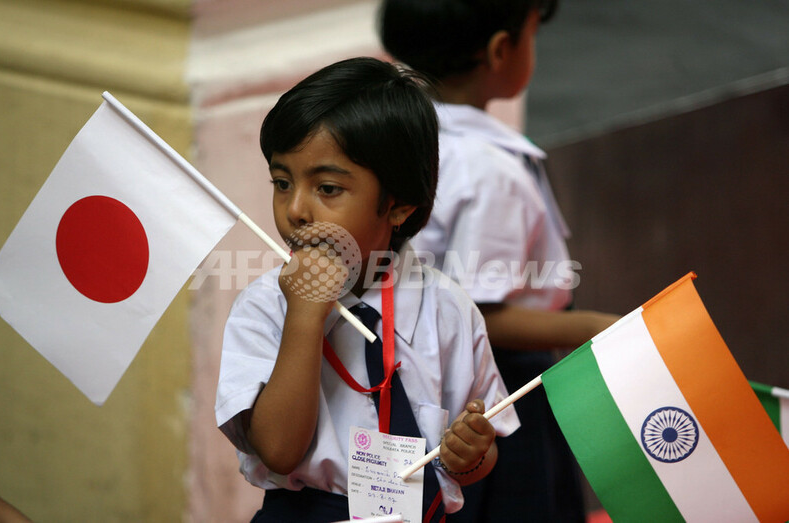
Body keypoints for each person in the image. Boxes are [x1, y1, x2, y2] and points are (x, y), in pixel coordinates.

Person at [215, 57, 520, 522]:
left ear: (398, 205)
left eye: (328, 189)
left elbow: (480, 454)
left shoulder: (448, 310)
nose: (296, 209)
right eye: (282, 182)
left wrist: (471, 455)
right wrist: (305, 315)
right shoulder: (264, 307)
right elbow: (278, 450)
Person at [379, 1, 620, 521]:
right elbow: (482, 312)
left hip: (427, 379)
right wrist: (600, 327)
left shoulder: (411, 142)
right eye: (533, 34)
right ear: (500, 49)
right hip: (500, 391)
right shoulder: (487, 168)